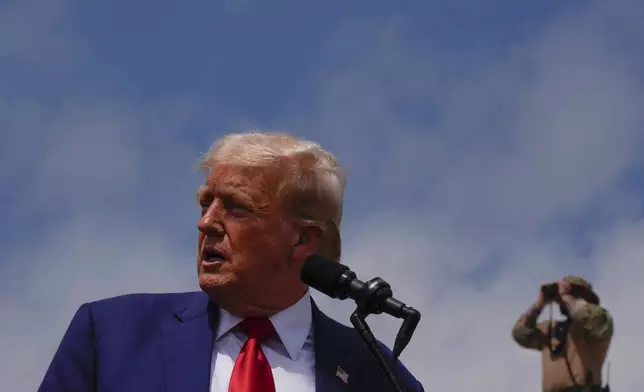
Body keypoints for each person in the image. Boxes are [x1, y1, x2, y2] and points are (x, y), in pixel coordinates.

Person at [38, 132, 424, 392]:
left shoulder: (379, 376)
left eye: (237, 208)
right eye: (207, 203)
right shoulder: (110, 335)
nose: (205, 223)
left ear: (304, 240)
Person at [512, 276, 614, 392]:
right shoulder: (552, 328)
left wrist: (568, 297)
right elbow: (520, 333)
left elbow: (591, 317)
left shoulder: (600, 321)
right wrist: (540, 304)